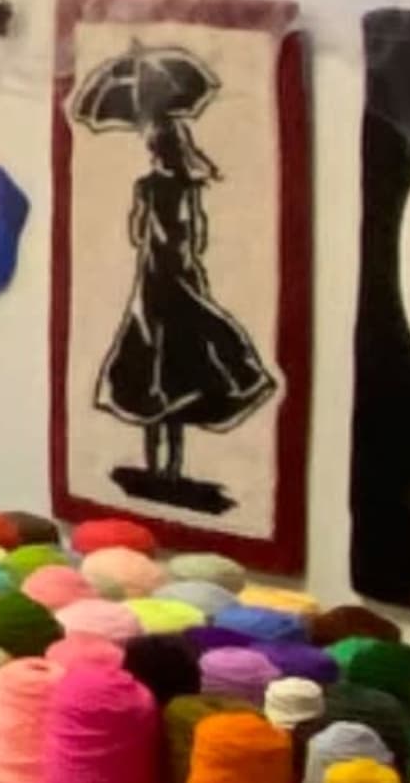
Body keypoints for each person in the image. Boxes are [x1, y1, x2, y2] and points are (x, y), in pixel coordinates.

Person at [72, 37, 270, 515]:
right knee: (177, 370)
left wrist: (151, 228)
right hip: (178, 275)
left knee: (154, 371)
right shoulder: (187, 188)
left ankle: (162, 469)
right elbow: (196, 237)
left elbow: (137, 232)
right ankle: (172, 469)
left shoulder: (150, 186)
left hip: (156, 279)